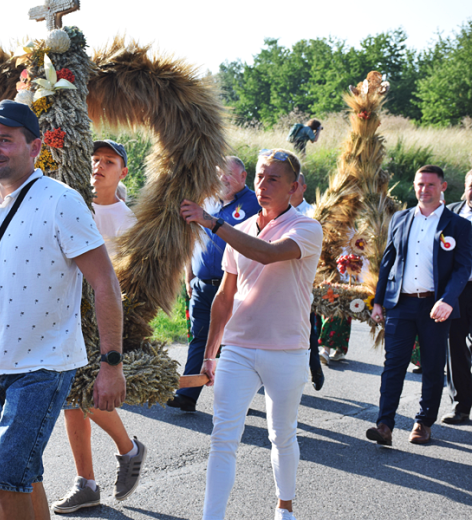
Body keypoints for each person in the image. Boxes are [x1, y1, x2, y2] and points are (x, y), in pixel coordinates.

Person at [0, 100, 126, 520]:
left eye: (6, 140)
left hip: (44, 365)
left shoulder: (61, 201)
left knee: (5, 475)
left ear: (36, 146)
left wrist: (110, 364)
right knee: (25, 476)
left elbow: (104, 284)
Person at [180, 148, 323, 520]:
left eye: (273, 178)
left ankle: (285, 508)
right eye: (260, 176)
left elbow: (267, 254)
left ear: (294, 186)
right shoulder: (239, 230)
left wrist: (214, 224)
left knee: (281, 435)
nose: (263, 184)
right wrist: (210, 353)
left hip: (287, 350)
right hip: (238, 349)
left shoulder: (307, 227)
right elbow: (225, 297)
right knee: (223, 438)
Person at [52, 140, 144, 514]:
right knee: (72, 402)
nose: (98, 166)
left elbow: (126, 279)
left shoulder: (128, 221)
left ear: (123, 172)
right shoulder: (76, 207)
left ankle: (128, 449)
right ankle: (87, 482)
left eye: (109, 161)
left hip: (101, 318)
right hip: (67, 310)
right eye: (95, 159)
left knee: (80, 392)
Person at [368, 165, 472, 446]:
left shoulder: (459, 226)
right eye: (419, 184)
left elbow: (463, 269)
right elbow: (388, 262)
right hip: (400, 305)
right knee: (393, 366)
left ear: (443, 187)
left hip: (435, 308)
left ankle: (423, 422)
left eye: (430, 185)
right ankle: (384, 424)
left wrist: (448, 300)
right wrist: (378, 301)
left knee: (433, 365)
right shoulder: (400, 219)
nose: (423, 190)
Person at [167, 156, 260, 412]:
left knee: (232, 343)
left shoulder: (254, 204)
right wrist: (189, 274)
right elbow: (192, 239)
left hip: (234, 286)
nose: (223, 179)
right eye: (219, 173)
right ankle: (187, 394)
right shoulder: (207, 200)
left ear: (243, 175)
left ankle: (238, 396)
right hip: (202, 283)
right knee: (199, 337)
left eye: (229, 174)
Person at [435, 168, 472, 425]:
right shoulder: (452, 215)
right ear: (465, 187)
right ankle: (461, 405)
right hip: (458, 290)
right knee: (455, 346)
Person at [290, 173, 324, 391]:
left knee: (307, 328)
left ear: (303, 187)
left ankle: (314, 367)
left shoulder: (313, 213)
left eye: (295, 186)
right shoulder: (274, 212)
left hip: (306, 278)